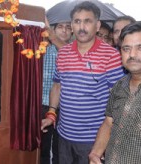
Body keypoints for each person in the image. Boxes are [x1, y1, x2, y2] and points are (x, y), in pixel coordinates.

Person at [41, 1, 124, 164]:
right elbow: (57, 86)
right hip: (63, 135)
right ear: (72, 25)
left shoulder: (112, 56)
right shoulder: (63, 53)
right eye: (77, 21)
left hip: (93, 140)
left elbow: (119, 100)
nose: (81, 27)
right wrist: (51, 114)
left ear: (97, 25)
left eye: (87, 21)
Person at [89, 23, 141, 164]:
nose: (132, 54)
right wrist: (95, 153)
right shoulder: (119, 85)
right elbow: (108, 122)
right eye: (126, 49)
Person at [41, 20, 72, 164]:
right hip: (43, 103)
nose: (64, 30)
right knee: (42, 145)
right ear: (53, 29)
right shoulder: (43, 48)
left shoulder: (75, 50)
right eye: (60, 27)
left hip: (65, 107)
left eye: (68, 27)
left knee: (61, 147)